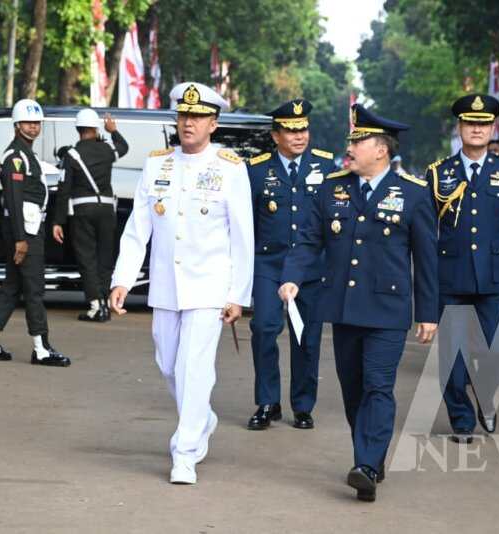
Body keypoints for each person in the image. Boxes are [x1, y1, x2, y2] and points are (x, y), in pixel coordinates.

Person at [280, 104, 438, 502]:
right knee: (353, 388)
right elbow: (308, 241)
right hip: (344, 306)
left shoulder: (414, 194)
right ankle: (370, 455)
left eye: (358, 141)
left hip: (388, 310)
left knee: (378, 385)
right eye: (351, 140)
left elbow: (427, 259)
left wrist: (428, 314)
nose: (349, 148)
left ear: (382, 150)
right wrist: (292, 278)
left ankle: (366, 464)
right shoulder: (331, 188)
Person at [109, 82, 253, 485]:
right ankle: (202, 416)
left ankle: (184, 453)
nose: (188, 123)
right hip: (166, 285)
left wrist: (238, 294)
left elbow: (243, 237)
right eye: (183, 116)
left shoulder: (230, 168)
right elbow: (138, 228)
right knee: (168, 362)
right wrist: (122, 279)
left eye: (198, 117)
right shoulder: (157, 164)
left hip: (209, 288)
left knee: (193, 366)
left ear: (214, 123)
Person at [426, 94, 499, 443]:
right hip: (450, 275)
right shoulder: (439, 172)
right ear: (459, 127)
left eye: (483, 123)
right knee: (453, 355)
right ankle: (461, 419)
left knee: (496, 350)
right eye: (470, 123)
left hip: (495, 275)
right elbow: (427, 231)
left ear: (492, 128)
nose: (476, 129)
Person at [245, 99, 335, 431]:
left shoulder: (327, 168)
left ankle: (302, 404)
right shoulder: (255, 170)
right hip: (269, 264)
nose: (299, 136)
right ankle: (268, 401)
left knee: (306, 337)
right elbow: (246, 225)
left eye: (303, 129)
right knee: (264, 329)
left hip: (311, 269)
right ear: (275, 135)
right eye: (290, 131)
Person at [0, 99, 70, 367]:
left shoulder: (26, 155)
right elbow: (14, 201)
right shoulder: (16, 157)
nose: (34, 127)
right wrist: (21, 239)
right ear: (17, 125)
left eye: (37, 123)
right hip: (24, 229)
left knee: (13, 285)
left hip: (26, 227)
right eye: (28, 123)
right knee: (35, 288)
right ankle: (41, 348)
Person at [52, 108, 128, 322]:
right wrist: (113, 131)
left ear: (78, 129)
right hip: (106, 210)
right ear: (95, 128)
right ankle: (103, 301)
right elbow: (124, 147)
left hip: (82, 211)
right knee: (105, 257)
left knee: (87, 257)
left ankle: (95, 305)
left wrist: (58, 221)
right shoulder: (106, 149)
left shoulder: (72, 154)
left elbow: (64, 190)